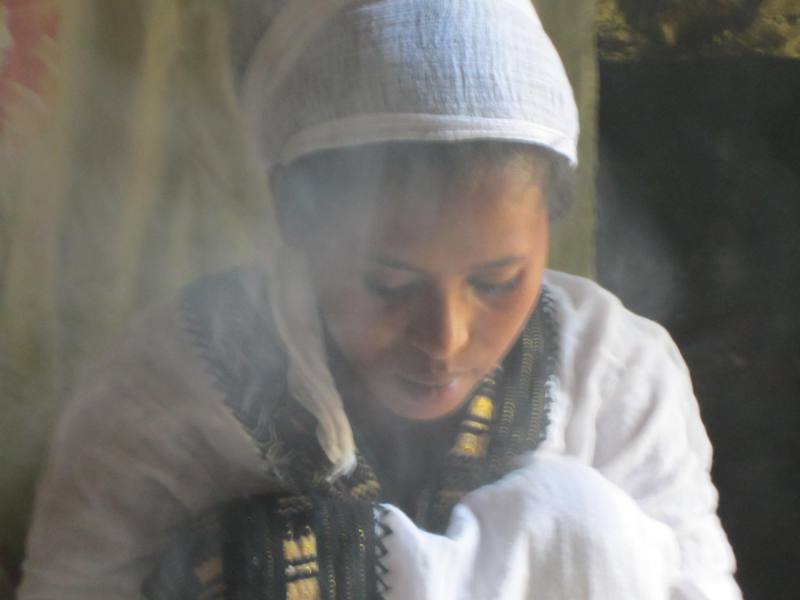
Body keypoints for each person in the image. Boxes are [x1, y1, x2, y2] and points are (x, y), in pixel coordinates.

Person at [17, 0, 741, 598]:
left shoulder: (617, 376)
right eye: (388, 283)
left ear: (552, 226)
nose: (445, 339)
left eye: (497, 282)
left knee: (582, 522)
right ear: (294, 220)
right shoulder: (161, 400)